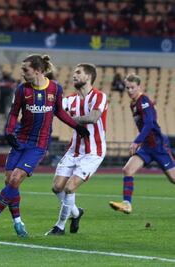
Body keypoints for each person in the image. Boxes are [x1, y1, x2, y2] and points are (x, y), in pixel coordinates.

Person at [0, 54, 90, 238]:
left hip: (38, 145)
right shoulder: (22, 90)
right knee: (10, 182)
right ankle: (18, 222)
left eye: (26, 70)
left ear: (37, 71)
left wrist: (77, 127)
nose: (22, 73)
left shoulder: (55, 89)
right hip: (20, 140)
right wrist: (9, 131)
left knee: (15, 179)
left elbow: (60, 112)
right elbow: (14, 113)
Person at [45, 63, 108, 235]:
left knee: (69, 188)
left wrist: (71, 119)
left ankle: (60, 226)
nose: (74, 75)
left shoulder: (99, 96)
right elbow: (53, 108)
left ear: (88, 77)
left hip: (93, 152)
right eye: (73, 72)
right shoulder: (70, 99)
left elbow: (94, 117)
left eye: (78, 72)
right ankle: (76, 212)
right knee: (57, 187)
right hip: (74, 150)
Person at [109, 74, 175, 214]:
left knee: (173, 178)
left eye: (133, 87)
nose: (130, 90)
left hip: (158, 146)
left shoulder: (143, 100)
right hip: (146, 147)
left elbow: (150, 123)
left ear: (139, 87)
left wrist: (137, 141)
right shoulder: (132, 104)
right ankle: (127, 204)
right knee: (128, 169)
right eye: (127, 87)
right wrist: (141, 141)